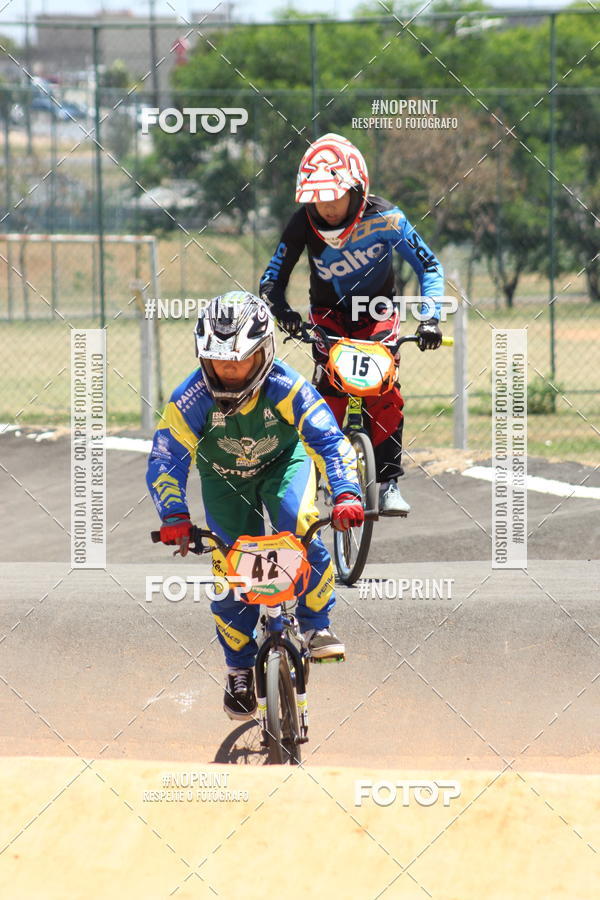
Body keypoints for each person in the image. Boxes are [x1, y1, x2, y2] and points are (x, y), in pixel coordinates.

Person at [146, 291, 364, 721]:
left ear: (263, 352)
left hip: (284, 466)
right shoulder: (189, 399)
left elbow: (329, 440)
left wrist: (345, 493)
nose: (228, 370)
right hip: (222, 481)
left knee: (301, 527)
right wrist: (174, 516)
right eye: (217, 360)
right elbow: (165, 458)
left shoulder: (288, 386)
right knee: (229, 568)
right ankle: (239, 668)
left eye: (239, 359)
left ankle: (317, 624)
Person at [259, 132, 445, 516]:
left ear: (357, 189)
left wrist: (430, 319)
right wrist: (284, 314)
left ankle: (388, 482)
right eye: (318, 197)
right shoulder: (301, 224)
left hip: (378, 315)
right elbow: (271, 280)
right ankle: (315, 479)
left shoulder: (388, 218)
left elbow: (429, 265)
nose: (325, 206)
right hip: (328, 319)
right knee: (328, 398)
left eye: (334, 195)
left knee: (384, 392)